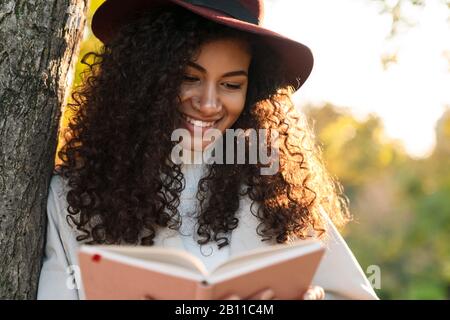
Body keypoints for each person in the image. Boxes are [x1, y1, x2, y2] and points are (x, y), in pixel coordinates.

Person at [37, 0, 378, 300]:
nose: (209, 103)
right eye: (188, 77)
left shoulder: (277, 194)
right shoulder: (72, 198)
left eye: (231, 84)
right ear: (144, 78)